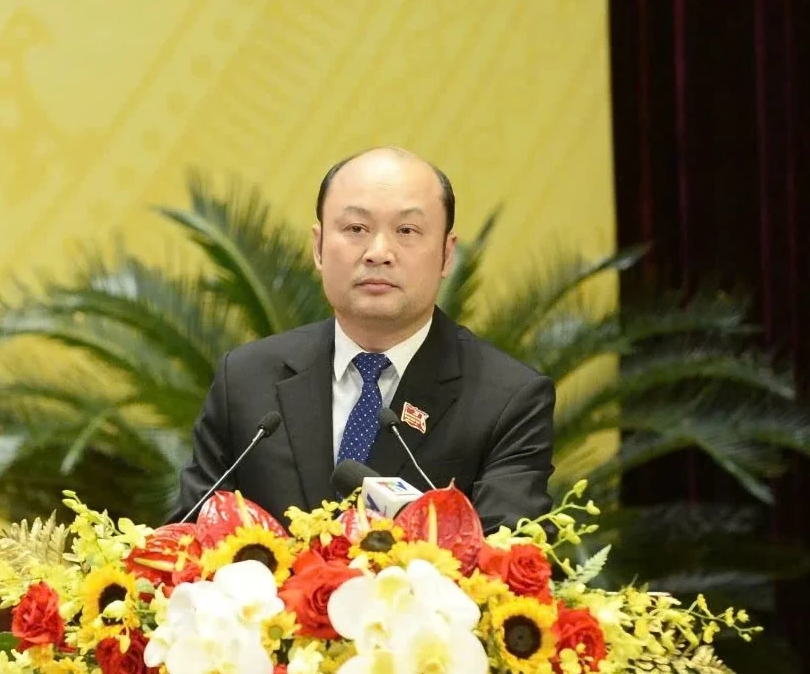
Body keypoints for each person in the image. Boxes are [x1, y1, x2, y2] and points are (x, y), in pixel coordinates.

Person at [167, 147, 555, 534]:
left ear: (446, 254)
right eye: (356, 229)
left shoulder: (506, 400)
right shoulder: (247, 379)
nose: (378, 253)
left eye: (407, 231)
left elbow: (509, 553)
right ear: (318, 247)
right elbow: (188, 536)